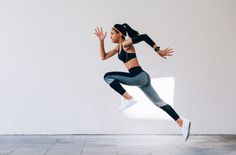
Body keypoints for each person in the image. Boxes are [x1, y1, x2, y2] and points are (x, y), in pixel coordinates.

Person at [94, 23, 191, 141]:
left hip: (137, 76)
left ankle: (129, 98)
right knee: (159, 103)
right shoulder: (118, 47)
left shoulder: (125, 44)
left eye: (112, 34)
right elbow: (103, 57)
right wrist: (101, 41)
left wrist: (158, 50)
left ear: (119, 34)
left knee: (107, 76)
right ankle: (182, 122)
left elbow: (144, 36)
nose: (110, 37)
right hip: (141, 78)